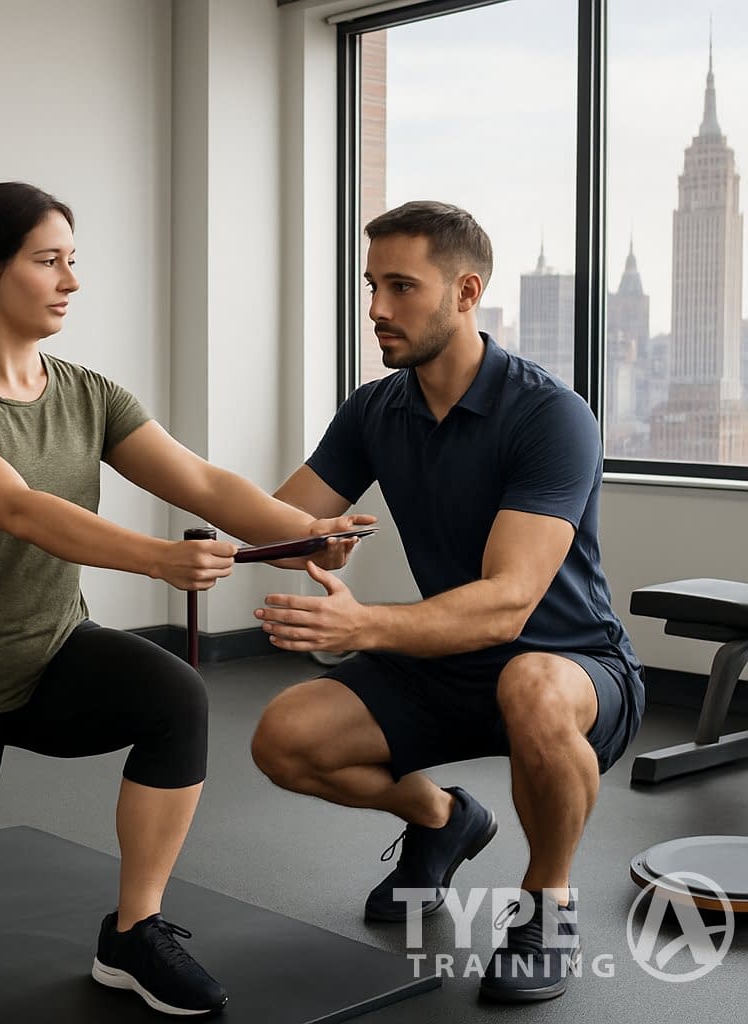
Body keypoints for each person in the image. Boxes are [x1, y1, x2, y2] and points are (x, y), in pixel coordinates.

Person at [0, 181, 374, 1018]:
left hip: (49, 655)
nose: (70, 281)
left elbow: (199, 480)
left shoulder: (88, 394)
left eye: (72, 262)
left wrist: (305, 531)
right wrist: (159, 559)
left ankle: (134, 931)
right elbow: (21, 509)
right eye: (48, 262)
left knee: (174, 698)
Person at [249, 201, 644, 1004]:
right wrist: (298, 535)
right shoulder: (376, 408)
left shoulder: (548, 415)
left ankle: (548, 902)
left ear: (467, 292)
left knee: (528, 682)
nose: (376, 310)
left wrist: (363, 623)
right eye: (370, 286)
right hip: (446, 661)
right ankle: (442, 818)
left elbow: (508, 605)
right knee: (283, 738)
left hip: (571, 664)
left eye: (401, 287)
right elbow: (284, 517)